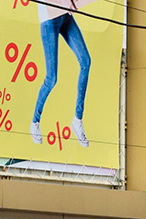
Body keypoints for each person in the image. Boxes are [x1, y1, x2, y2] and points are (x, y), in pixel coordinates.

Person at [30, 0, 92, 148]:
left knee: (85, 61)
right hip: (49, 20)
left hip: (66, 15)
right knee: (51, 78)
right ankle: (35, 122)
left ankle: (77, 120)